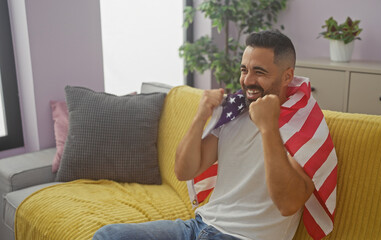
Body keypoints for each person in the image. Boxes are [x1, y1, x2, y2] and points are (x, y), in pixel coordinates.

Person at [93, 30, 316, 240]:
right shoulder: (234, 113)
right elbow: (184, 171)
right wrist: (200, 116)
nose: (247, 80)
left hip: (244, 237)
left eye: (259, 72)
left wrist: (268, 128)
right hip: (199, 227)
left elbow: (289, 204)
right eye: (244, 70)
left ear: (287, 76)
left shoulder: (303, 125)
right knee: (108, 235)